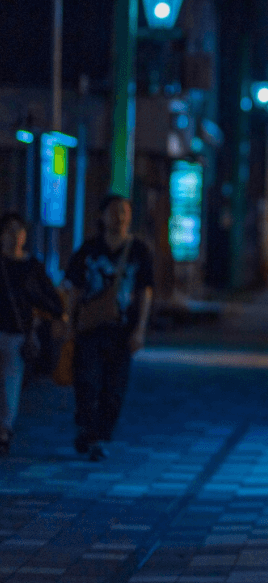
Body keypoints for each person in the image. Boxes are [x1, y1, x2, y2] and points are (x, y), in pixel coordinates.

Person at [61, 194, 153, 461]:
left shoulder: (138, 251)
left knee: (114, 388)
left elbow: (145, 292)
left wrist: (140, 330)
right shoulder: (89, 250)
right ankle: (89, 432)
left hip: (122, 330)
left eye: (124, 211)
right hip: (90, 328)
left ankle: (99, 435)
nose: (119, 217)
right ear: (102, 216)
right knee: (87, 381)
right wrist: (69, 323)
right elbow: (74, 288)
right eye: (113, 211)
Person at [0, 213, 63, 456]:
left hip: (17, 332)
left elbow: (50, 298)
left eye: (19, 230)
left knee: (10, 383)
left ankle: (4, 429)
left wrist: (53, 311)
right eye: (9, 230)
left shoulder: (31, 266)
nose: (15, 235)